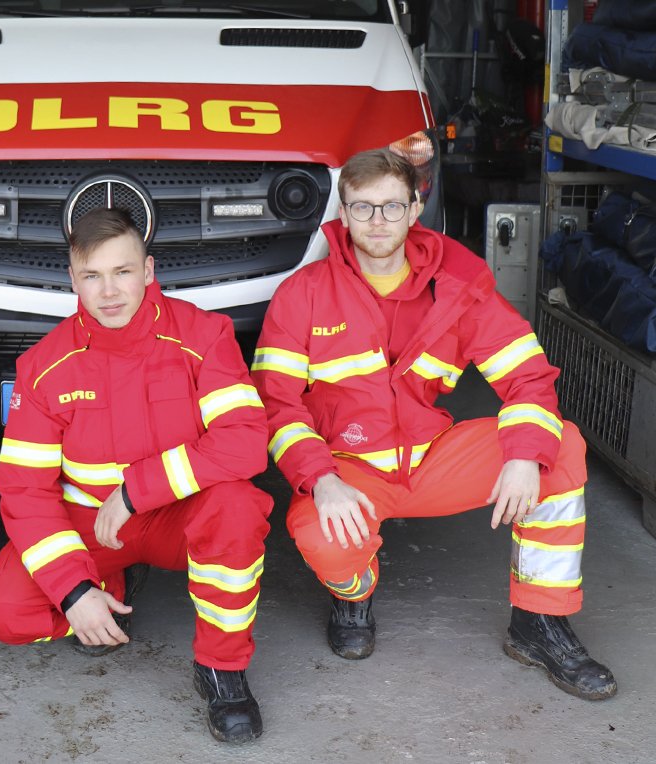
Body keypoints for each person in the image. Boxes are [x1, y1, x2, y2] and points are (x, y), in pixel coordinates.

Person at [252, 148, 617, 700]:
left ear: (415, 206)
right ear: (343, 214)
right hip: (348, 473)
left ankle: (538, 623)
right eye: (363, 208)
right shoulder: (302, 295)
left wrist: (522, 456)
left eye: (391, 207)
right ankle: (354, 592)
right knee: (319, 537)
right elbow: (276, 404)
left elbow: (529, 377)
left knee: (559, 447)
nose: (377, 222)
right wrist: (321, 482)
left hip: (431, 460)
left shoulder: (459, 290)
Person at [0, 207, 273, 742]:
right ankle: (103, 588)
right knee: (0, 612)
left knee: (238, 507)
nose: (109, 292)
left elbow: (246, 441)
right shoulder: (43, 365)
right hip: (90, 526)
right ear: (73, 281)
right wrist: (70, 591)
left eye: (123, 271)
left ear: (149, 270)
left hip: (177, 517)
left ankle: (222, 670)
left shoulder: (204, 334)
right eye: (92, 276)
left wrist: (138, 491)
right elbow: (24, 490)